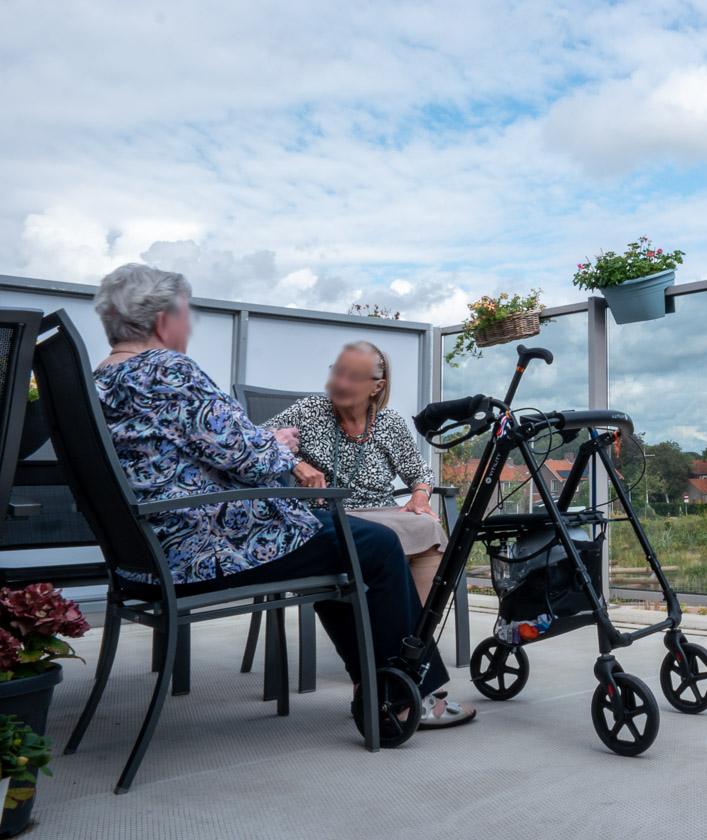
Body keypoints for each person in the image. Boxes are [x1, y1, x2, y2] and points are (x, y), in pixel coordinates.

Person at [90, 263, 473, 729]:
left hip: (151, 553)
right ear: (162, 319)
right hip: (208, 550)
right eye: (185, 313)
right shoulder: (166, 371)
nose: (188, 325)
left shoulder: (99, 381)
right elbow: (250, 456)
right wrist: (282, 447)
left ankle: (379, 685)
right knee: (370, 545)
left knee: (343, 541)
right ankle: (411, 694)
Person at [262, 342, 448, 606]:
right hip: (326, 512)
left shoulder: (390, 422)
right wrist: (294, 463)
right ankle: (380, 628)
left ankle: (415, 636)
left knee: (428, 528)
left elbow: (419, 471)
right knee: (376, 546)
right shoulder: (310, 410)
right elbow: (257, 438)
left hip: (381, 511)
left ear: (377, 387)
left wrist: (420, 496)